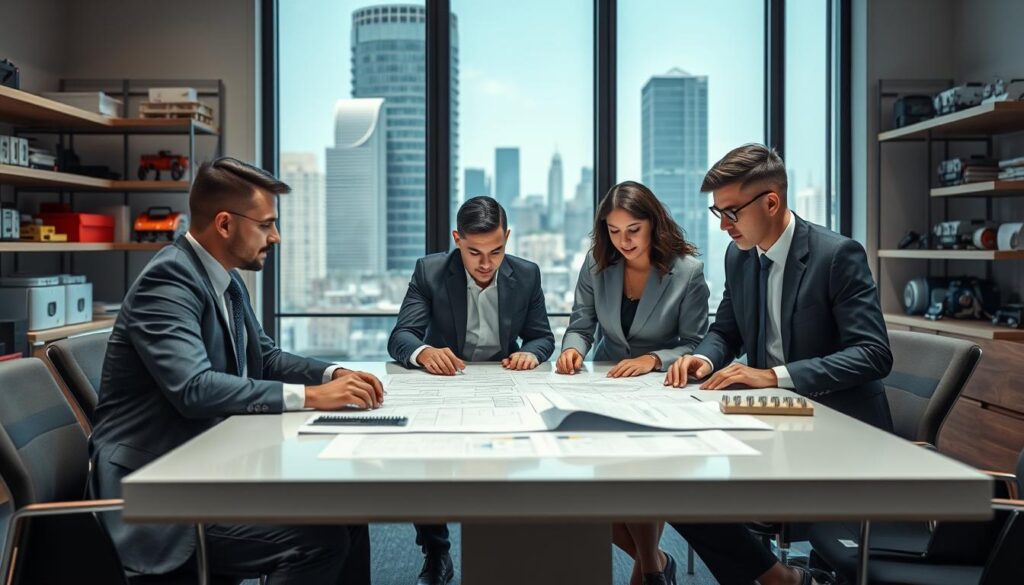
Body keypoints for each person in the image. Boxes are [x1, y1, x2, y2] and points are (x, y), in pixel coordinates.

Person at [88, 157, 382, 584]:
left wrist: (332, 374)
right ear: (225, 224)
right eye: (266, 225)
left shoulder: (225, 280)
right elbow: (193, 389)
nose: (276, 236)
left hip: (205, 466)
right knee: (318, 542)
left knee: (349, 513)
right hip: (157, 491)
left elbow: (265, 356)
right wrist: (310, 398)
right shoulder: (169, 280)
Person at [665, 143, 893, 585]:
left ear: (772, 201)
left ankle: (781, 579)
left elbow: (874, 353)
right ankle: (781, 579)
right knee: (672, 480)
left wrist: (773, 376)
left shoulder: (836, 256)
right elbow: (726, 330)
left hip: (838, 430)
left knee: (696, 493)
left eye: (731, 211)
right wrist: (701, 359)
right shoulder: (740, 254)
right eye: (718, 213)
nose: (725, 225)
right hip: (771, 422)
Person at [388, 195, 555, 585]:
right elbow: (401, 337)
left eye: (496, 251)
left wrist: (531, 354)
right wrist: (424, 352)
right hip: (445, 382)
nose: (485, 264)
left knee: (514, 460)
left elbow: (542, 337)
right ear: (456, 239)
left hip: (504, 381)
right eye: (474, 251)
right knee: (429, 462)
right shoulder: (430, 272)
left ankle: (511, 544)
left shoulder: (527, 274)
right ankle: (436, 550)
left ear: (508, 238)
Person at [556, 180, 710, 585]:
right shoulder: (595, 264)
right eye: (613, 230)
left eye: (633, 230)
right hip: (606, 382)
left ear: (653, 224)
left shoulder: (687, 272)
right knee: (583, 492)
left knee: (638, 474)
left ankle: (650, 573)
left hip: (663, 389)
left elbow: (696, 344)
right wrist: (572, 349)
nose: (622, 241)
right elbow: (581, 324)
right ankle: (655, 562)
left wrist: (654, 358)